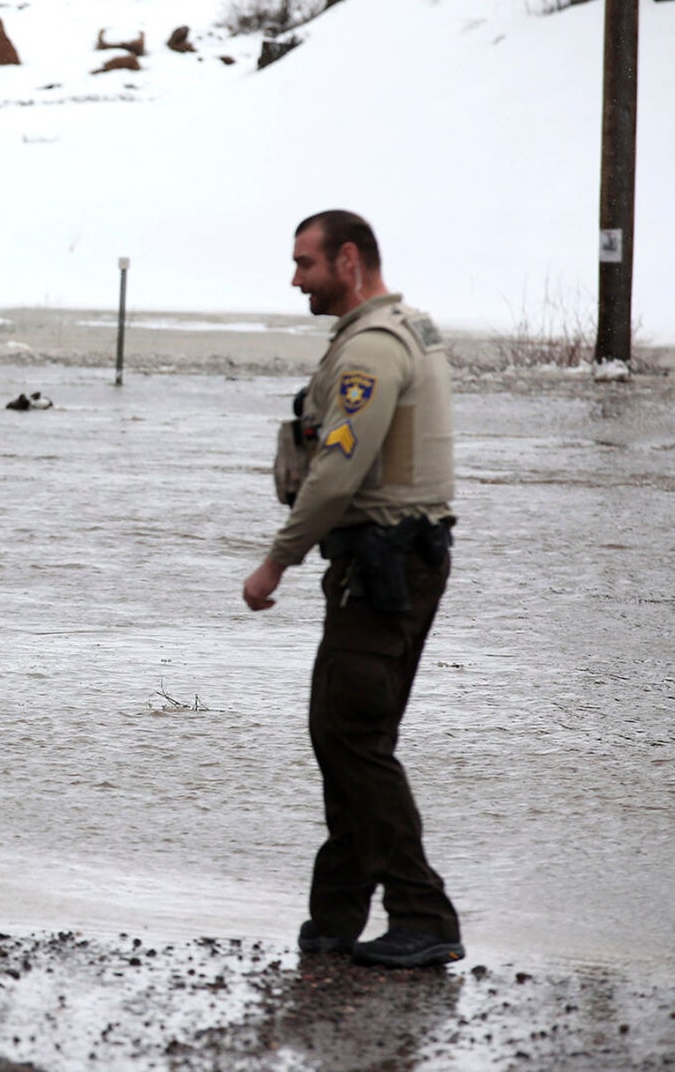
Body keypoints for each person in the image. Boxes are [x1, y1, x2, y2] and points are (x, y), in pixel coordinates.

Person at [242, 210, 464, 970]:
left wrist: (277, 559)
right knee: (351, 736)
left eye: (304, 262)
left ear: (347, 260)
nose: (295, 277)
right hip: (403, 563)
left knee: (350, 739)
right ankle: (334, 913)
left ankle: (421, 910)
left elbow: (336, 470)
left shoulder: (370, 349)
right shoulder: (408, 329)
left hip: (381, 569)